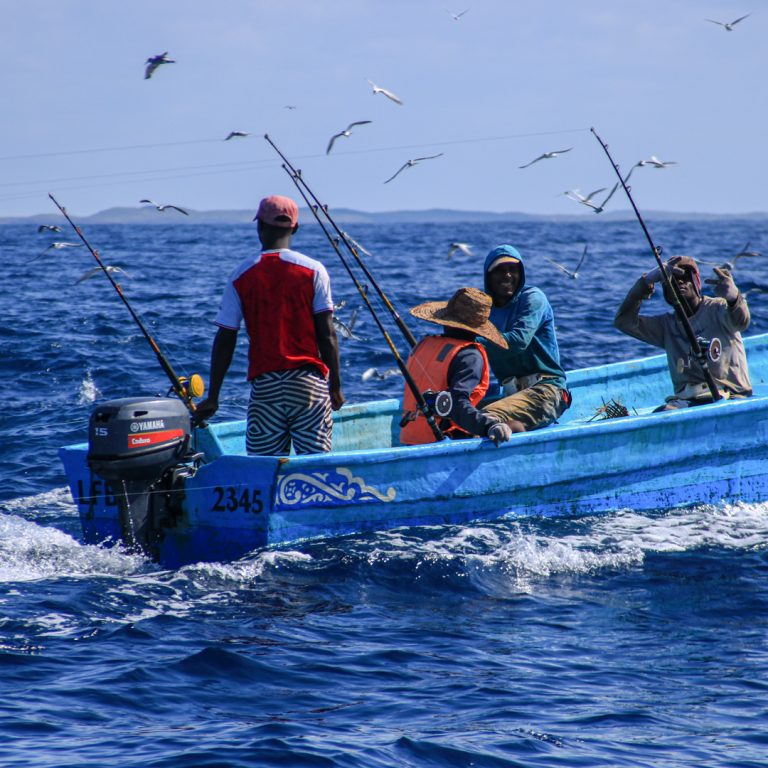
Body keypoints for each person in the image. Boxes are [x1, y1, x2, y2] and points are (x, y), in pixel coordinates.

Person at [194, 194, 344, 455]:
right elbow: (327, 334)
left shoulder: (241, 275)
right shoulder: (314, 270)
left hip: (266, 385)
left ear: (260, 226)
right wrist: (336, 386)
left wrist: (213, 396)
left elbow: (225, 338)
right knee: (315, 462)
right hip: (308, 382)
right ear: (295, 228)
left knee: (265, 464)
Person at [614, 255, 751, 410]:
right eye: (672, 280)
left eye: (685, 277)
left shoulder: (718, 308)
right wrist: (645, 282)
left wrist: (734, 298)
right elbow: (623, 322)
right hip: (688, 400)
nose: (679, 282)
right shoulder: (665, 325)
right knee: (664, 412)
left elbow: (741, 321)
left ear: (696, 282)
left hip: (731, 395)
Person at [400, 286, 513, 446]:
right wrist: (489, 426)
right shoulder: (469, 355)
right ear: (479, 329)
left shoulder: (424, 344)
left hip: (410, 437)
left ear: (446, 321)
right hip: (443, 439)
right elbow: (457, 405)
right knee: (516, 425)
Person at [479, 244, 570, 433]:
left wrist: (474, 344)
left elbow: (518, 341)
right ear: (488, 276)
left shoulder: (532, 299)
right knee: (455, 416)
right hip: (511, 395)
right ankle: (513, 427)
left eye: (513, 269)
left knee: (484, 418)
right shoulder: (483, 310)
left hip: (547, 391)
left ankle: (514, 430)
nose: (507, 275)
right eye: (500, 270)